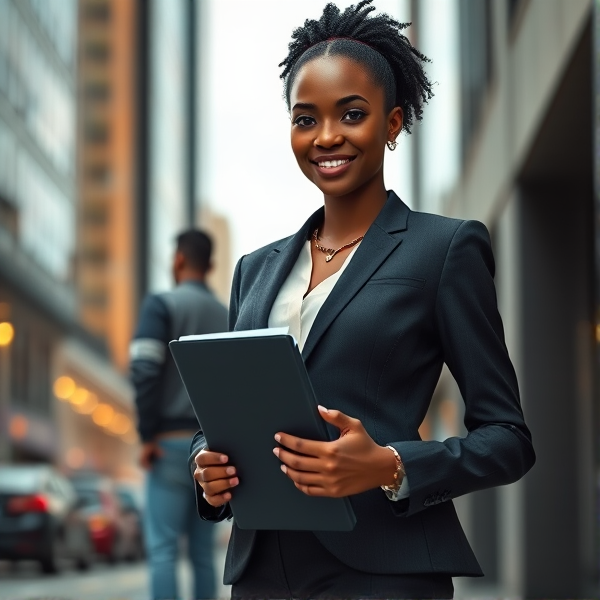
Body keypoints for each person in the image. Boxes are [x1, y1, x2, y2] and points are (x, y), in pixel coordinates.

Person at [190, 2, 536, 599]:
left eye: (352, 114)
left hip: (384, 571)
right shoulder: (255, 269)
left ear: (394, 122)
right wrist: (206, 468)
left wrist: (391, 465)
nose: (327, 137)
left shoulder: (444, 250)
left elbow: (507, 438)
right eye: (306, 119)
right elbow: (218, 421)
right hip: (260, 572)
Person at [130, 229, 228, 600]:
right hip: (212, 450)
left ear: (178, 260)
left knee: (163, 550)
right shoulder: (228, 313)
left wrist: (146, 435)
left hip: (168, 445)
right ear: (211, 266)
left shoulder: (161, 305)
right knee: (203, 554)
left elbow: (144, 368)